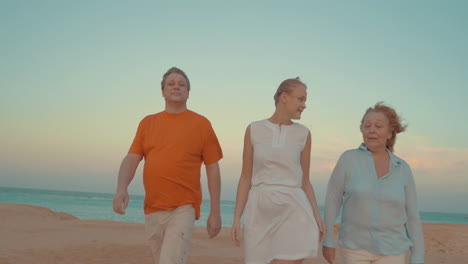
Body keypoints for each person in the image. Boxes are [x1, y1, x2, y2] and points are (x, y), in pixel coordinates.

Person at [112, 67, 223, 264]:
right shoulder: (147, 123)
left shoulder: (201, 124)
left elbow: (213, 167)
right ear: (163, 91)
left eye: (181, 84)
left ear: (188, 92)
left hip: (183, 208)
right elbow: (131, 158)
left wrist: (215, 212)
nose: (176, 87)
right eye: (171, 84)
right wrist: (122, 188)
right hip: (152, 209)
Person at [231, 78, 325, 264]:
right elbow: (245, 177)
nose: (304, 105)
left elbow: (305, 181)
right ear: (284, 97)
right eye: (301, 99)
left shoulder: (304, 134)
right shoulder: (254, 129)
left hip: (293, 209)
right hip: (259, 211)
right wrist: (236, 218)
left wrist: (317, 215)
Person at [322, 102, 424, 264]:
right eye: (367, 125)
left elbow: (412, 215)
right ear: (361, 130)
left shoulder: (402, 168)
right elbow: (332, 200)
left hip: (393, 252)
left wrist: (418, 255)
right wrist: (328, 238)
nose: (371, 130)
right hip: (354, 249)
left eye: (378, 126)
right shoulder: (348, 159)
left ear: (390, 133)